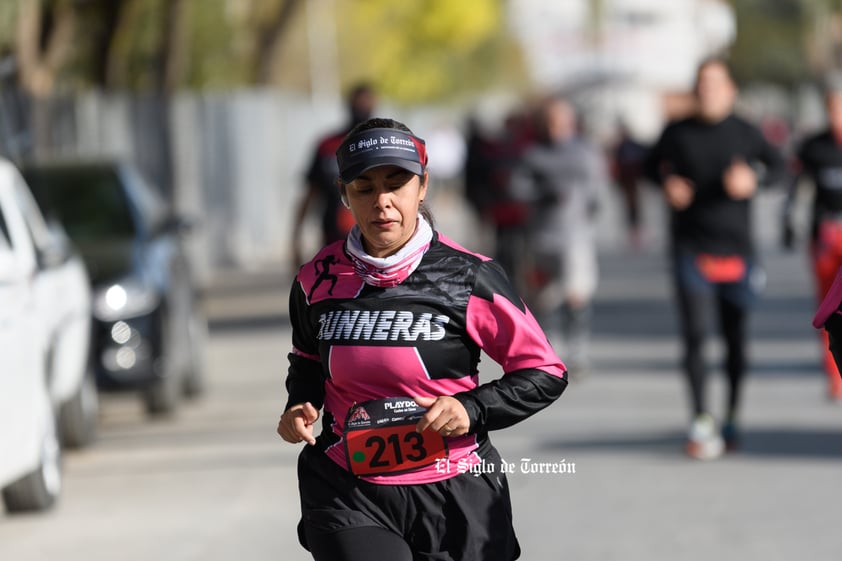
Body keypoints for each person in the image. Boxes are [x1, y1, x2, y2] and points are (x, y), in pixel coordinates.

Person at [276, 117, 568, 561]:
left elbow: (545, 372)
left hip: (455, 489)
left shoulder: (470, 276)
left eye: (397, 184)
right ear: (344, 195)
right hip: (347, 488)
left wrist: (471, 409)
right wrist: (300, 401)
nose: (383, 202)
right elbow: (307, 357)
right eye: (365, 187)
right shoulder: (315, 278)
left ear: (423, 186)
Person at [645, 58, 787, 459]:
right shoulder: (677, 132)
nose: (707, 90)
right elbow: (646, 167)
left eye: (715, 83)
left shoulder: (746, 131)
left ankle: (732, 413)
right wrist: (667, 182)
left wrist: (753, 181)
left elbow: (781, 170)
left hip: (737, 250)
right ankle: (700, 418)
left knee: (735, 339)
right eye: (701, 84)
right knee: (694, 335)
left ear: (730, 90)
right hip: (691, 247)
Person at [509, 95, 608, 378]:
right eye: (551, 122)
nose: (557, 128)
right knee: (543, 299)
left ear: (572, 122)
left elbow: (597, 190)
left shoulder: (586, 151)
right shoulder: (533, 155)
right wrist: (543, 195)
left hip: (575, 237)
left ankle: (577, 353)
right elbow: (516, 188)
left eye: (562, 121)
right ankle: (548, 353)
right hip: (541, 238)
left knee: (577, 295)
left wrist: (587, 212)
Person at [783, 74, 842, 401]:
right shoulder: (814, 146)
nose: (837, 115)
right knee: (831, 310)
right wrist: (788, 221)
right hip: (827, 235)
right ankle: (835, 374)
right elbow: (795, 186)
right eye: (832, 108)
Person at [290, 82, 377, 268]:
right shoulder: (328, 146)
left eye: (366, 104)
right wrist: (295, 240)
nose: (361, 109)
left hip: (376, 246)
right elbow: (310, 193)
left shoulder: (382, 147)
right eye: (358, 104)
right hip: (334, 242)